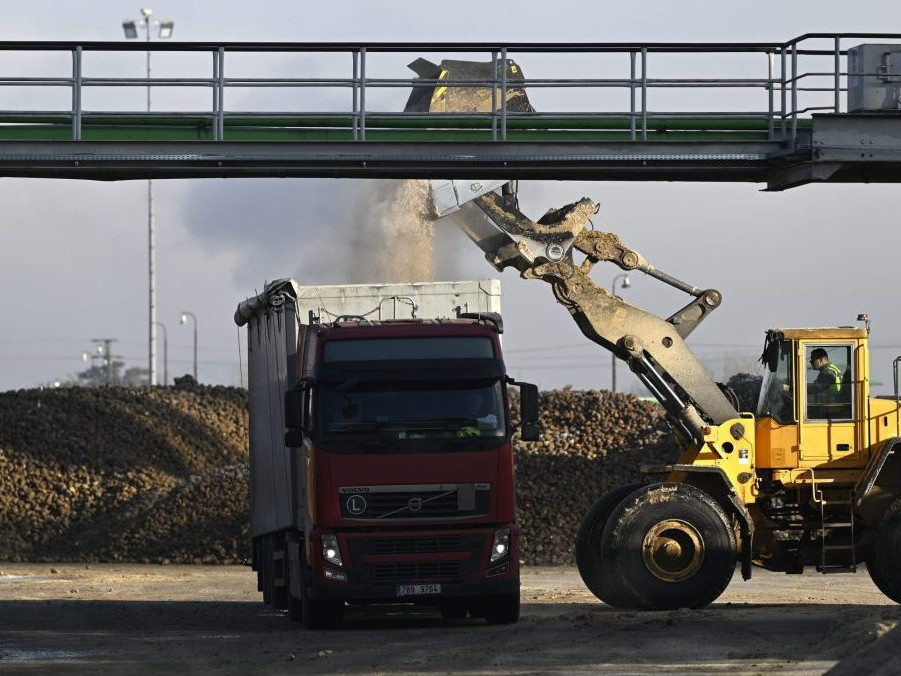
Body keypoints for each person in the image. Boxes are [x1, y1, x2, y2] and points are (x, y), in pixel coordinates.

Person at [808, 348, 842, 418]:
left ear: (821, 360)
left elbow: (816, 388)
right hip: (832, 407)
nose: (810, 362)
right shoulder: (832, 369)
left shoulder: (828, 372)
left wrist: (795, 389)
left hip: (831, 409)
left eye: (813, 359)